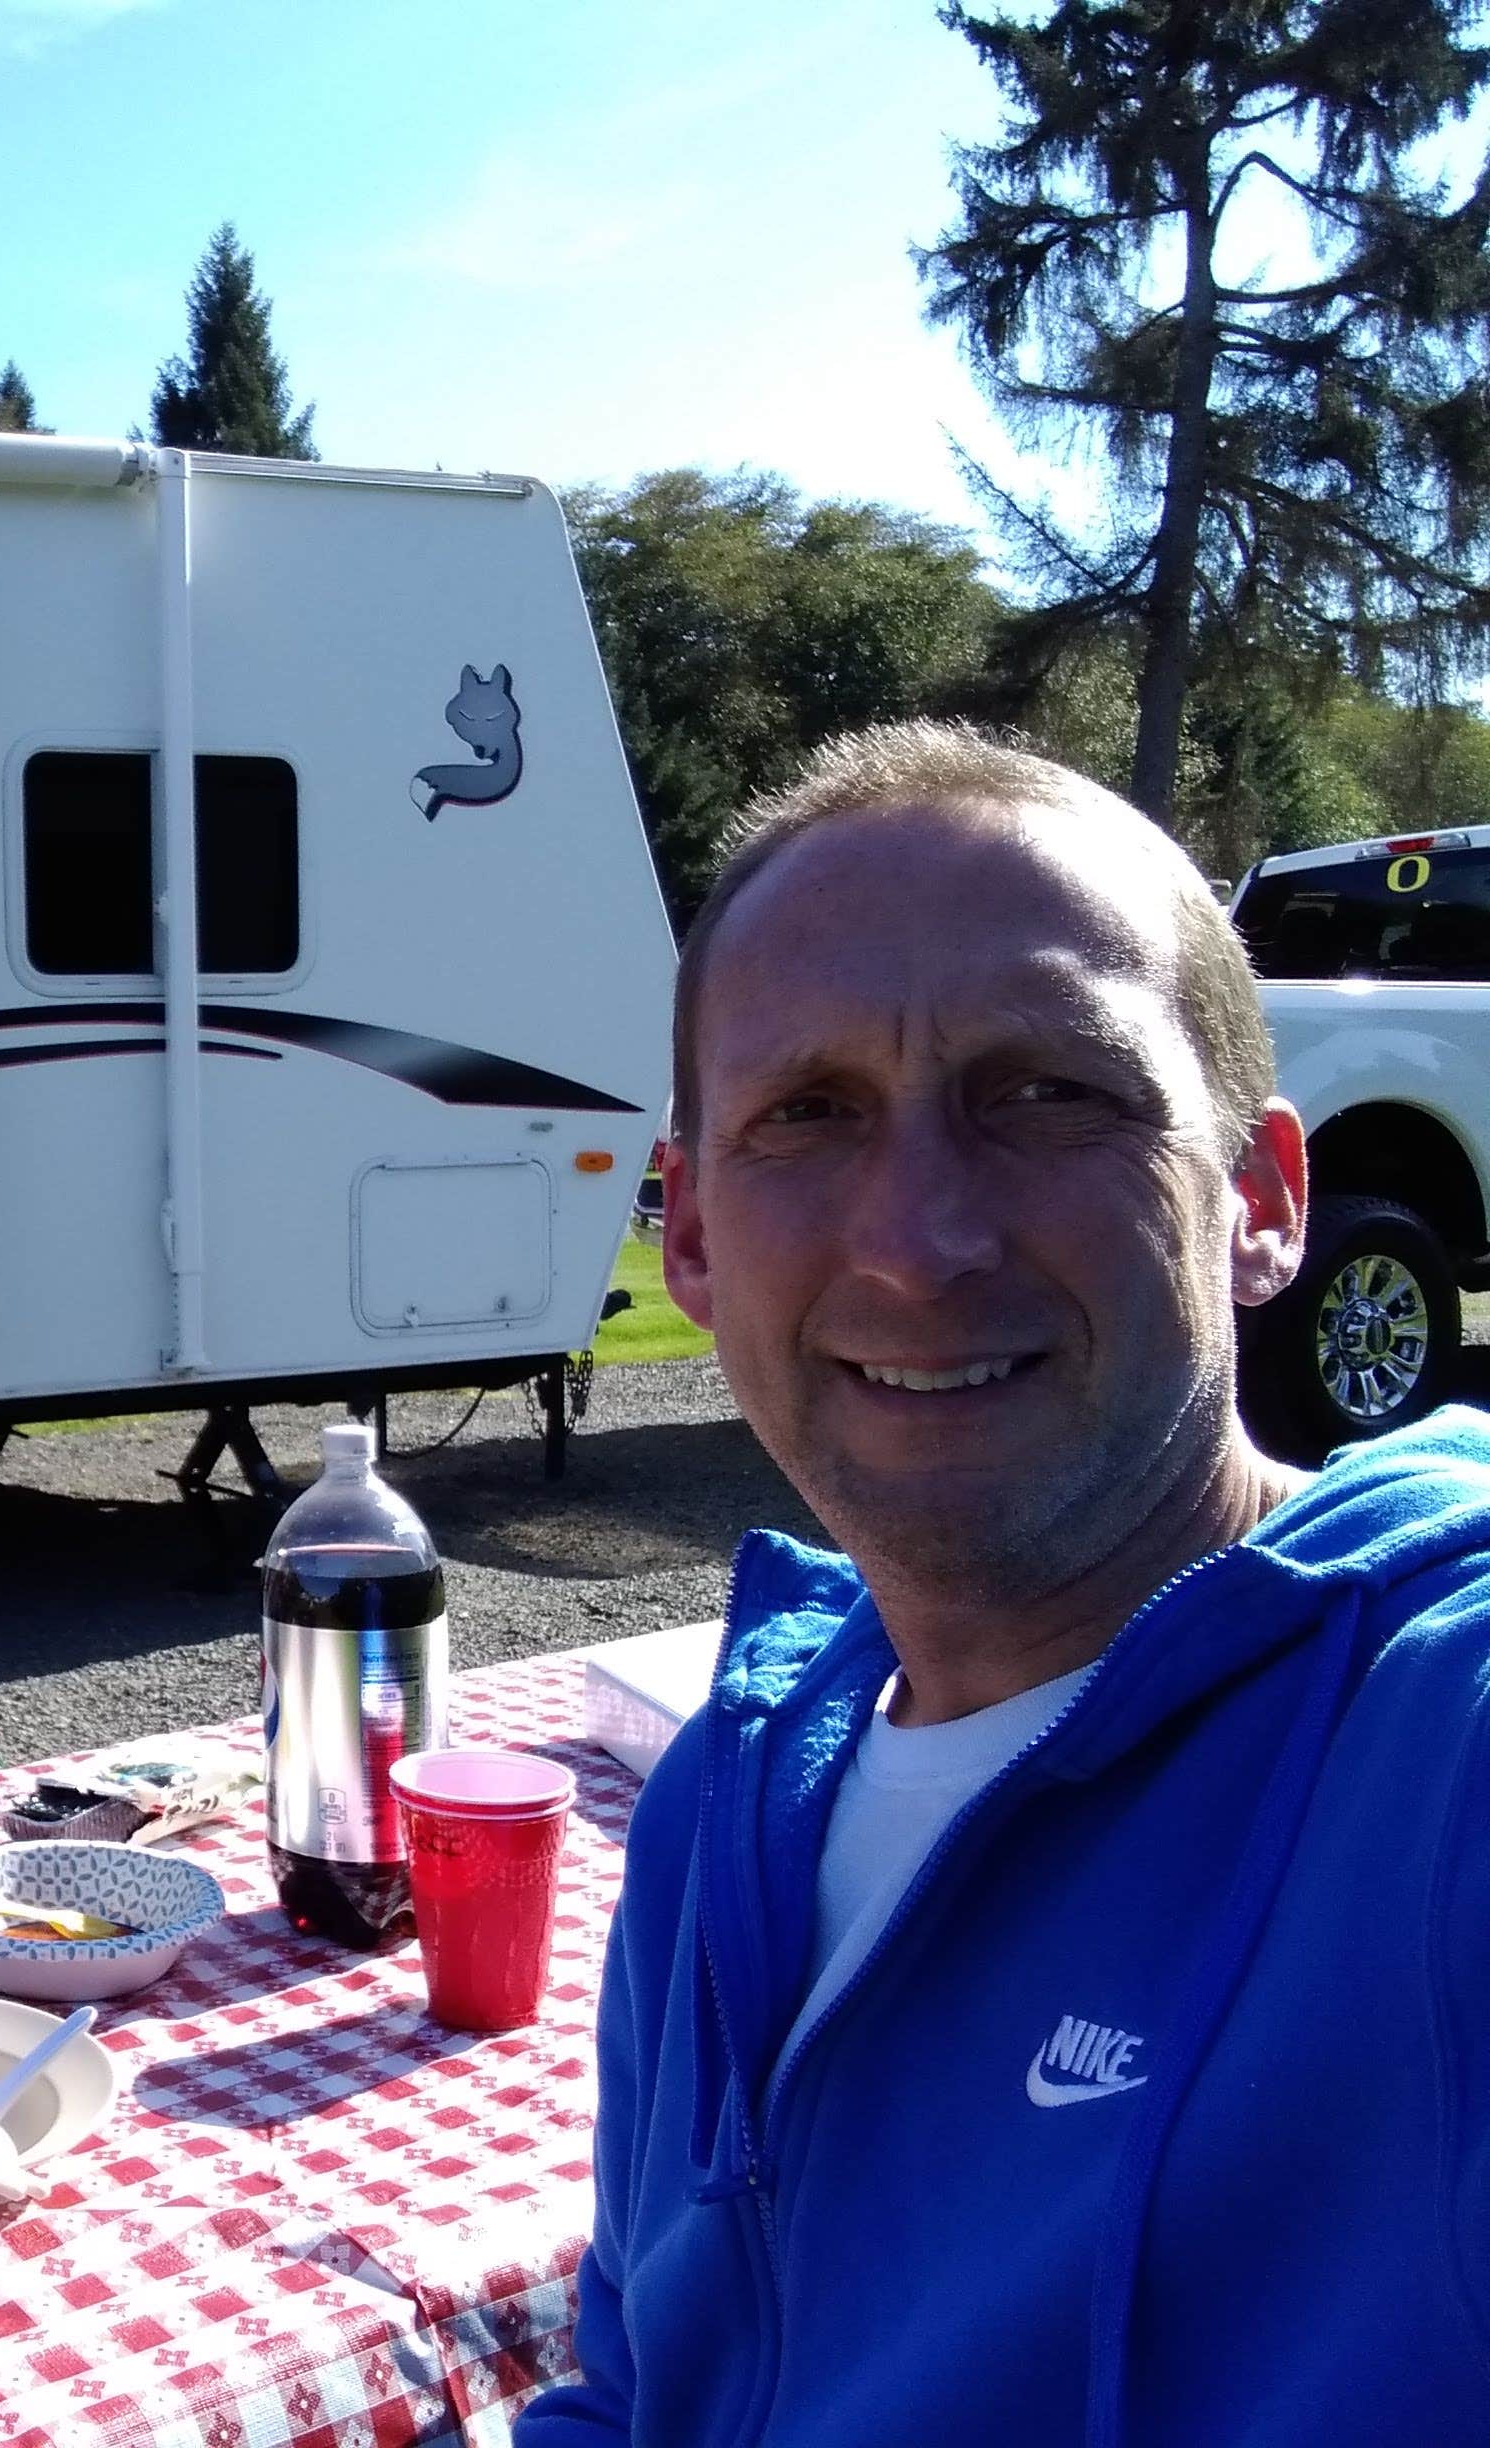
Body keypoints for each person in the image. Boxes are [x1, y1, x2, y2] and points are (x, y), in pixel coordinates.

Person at [518, 724, 1490, 2445]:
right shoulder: (716, 1804)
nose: (914, 1236)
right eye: (805, 1113)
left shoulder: (1432, 1748)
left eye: (1044, 1093)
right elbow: (636, 2388)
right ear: (681, 1234)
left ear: (1260, 1197)